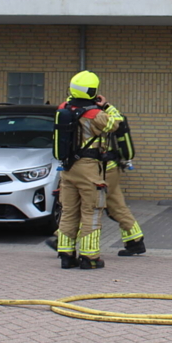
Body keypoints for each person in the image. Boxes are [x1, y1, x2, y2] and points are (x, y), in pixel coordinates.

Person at [54, 70, 113, 270]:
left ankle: (66, 255)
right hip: (88, 169)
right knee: (92, 211)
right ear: (92, 90)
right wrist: (105, 105)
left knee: (68, 211)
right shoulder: (96, 114)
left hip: (67, 169)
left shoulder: (63, 109)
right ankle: (90, 258)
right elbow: (116, 123)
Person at [97, 99, 146, 257]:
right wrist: (107, 106)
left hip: (103, 169)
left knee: (88, 203)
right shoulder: (111, 115)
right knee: (117, 206)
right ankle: (135, 240)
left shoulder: (97, 119)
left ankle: (63, 237)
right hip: (111, 167)